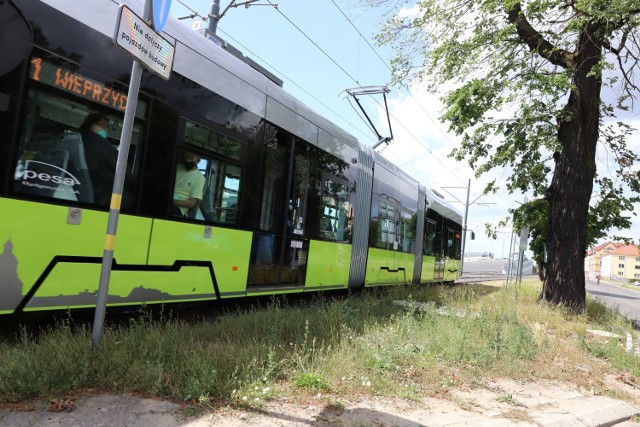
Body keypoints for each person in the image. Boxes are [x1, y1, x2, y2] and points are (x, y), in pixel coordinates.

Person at [80, 113, 118, 206]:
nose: (106, 129)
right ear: (92, 125)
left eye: (107, 127)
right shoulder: (99, 143)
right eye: (102, 125)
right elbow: (121, 169)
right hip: (102, 194)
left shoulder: (82, 140)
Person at [172, 150, 206, 217]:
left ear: (198, 161)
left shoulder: (199, 178)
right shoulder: (176, 167)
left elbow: (192, 203)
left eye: (191, 158)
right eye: (186, 157)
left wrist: (173, 201)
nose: (187, 160)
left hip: (178, 207)